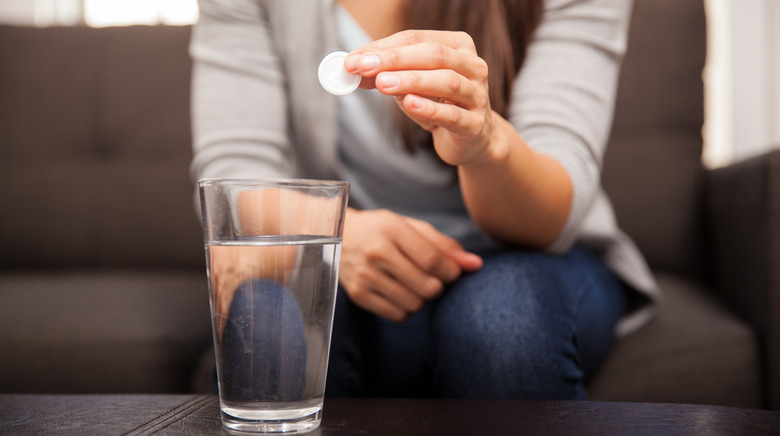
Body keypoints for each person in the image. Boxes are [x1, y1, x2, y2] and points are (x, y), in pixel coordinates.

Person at [190, 0, 660, 399]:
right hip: (345, 260)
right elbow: (231, 179)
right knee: (266, 319)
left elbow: (555, 210)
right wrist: (336, 233)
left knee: (504, 321)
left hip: (531, 257)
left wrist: (483, 143)